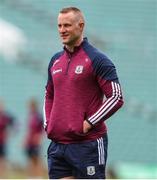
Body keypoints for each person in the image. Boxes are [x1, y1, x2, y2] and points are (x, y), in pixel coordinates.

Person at [43, 7, 124, 179]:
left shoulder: (97, 59)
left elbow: (116, 97)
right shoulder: (55, 60)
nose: (62, 30)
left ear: (80, 26)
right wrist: (48, 123)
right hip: (58, 145)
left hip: (87, 145)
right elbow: (49, 94)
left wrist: (88, 122)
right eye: (59, 26)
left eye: (67, 25)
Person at [24, 98, 44, 178]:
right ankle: (31, 176)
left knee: (37, 159)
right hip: (30, 142)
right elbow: (29, 130)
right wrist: (25, 139)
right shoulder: (30, 116)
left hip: (35, 142)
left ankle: (39, 176)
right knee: (30, 159)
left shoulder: (38, 116)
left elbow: (43, 128)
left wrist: (39, 137)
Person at [0, 99, 15, 178]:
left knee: (2, 159)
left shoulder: (5, 116)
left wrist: (11, 132)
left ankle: (2, 176)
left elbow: (15, 124)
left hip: (2, 141)